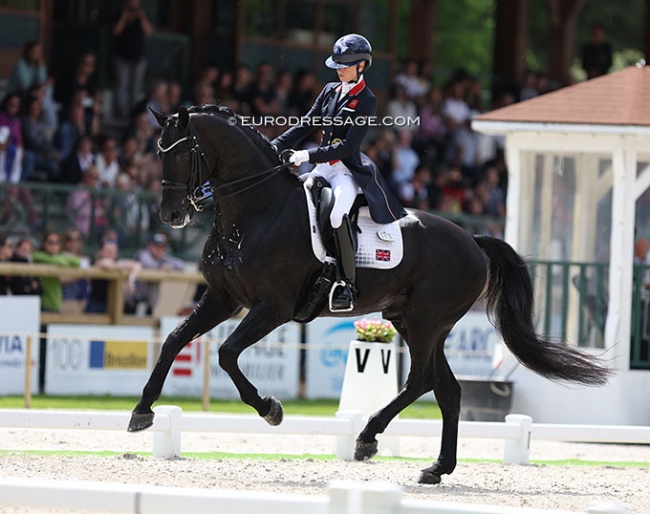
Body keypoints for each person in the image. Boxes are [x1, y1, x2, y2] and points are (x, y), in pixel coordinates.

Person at [271, 34, 408, 312]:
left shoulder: (366, 100)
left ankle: (346, 283)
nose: (338, 68)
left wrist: (307, 154)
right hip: (322, 168)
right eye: (337, 64)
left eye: (345, 64)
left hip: (345, 172)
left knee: (336, 214)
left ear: (361, 66)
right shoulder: (331, 90)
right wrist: (272, 147)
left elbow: (347, 147)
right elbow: (306, 123)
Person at [112, 0, 154, 119]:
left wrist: (141, 17)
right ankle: (120, 112)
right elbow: (116, 31)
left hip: (138, 57)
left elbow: (149, 32)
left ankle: (133, 112)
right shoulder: (119, 13)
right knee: (122, 84)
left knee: (136, 86)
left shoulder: (143, 14)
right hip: (121, 56)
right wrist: (124, 17)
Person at [128, 233, 184, 315]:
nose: (160, 250)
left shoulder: (163, 258)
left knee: (147, 325)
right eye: (157, 246)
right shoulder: (143, 254)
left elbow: (181, 265)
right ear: (150, 246)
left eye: (162, 247)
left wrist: (170, 266)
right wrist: (161, 267)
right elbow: (148, 265)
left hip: (148, 305)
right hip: (133, 302)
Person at [85, 237, 140, 314]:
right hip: (96, 304)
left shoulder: (117, 262)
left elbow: (137, 265)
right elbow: (106, 264)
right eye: (107, 250)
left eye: (113, 251)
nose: (110, 253)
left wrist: (131, 280)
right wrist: (122, 266)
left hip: (112, 304)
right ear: (100, 251)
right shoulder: (95, 262)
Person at [32, 231, 81, 312]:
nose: (53, 246)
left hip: (55, 302)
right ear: (44, 244)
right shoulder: (39, 256)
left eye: (56, 243)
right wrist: (63, 261)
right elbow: (37, 256)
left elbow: (77, 261)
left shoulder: (58, 258)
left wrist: (60, 260)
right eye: (50, 242)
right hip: (42, 302)